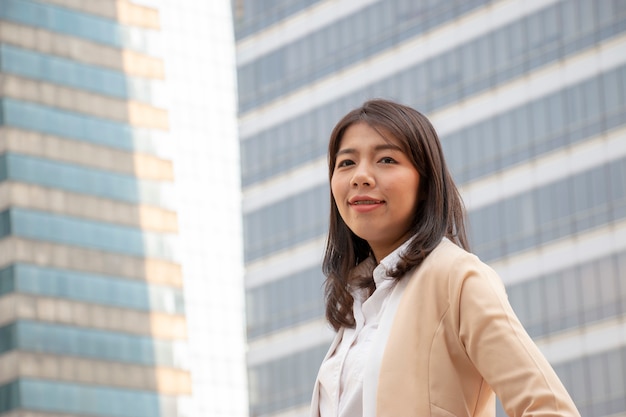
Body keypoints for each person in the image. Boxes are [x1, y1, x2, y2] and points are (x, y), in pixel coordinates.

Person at [310, 99, 580, 417]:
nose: (361, 177)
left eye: (385, 159)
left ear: (425, 182)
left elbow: (549, 408)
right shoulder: (358, 305)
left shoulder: (457, 277)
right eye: (346, 163)